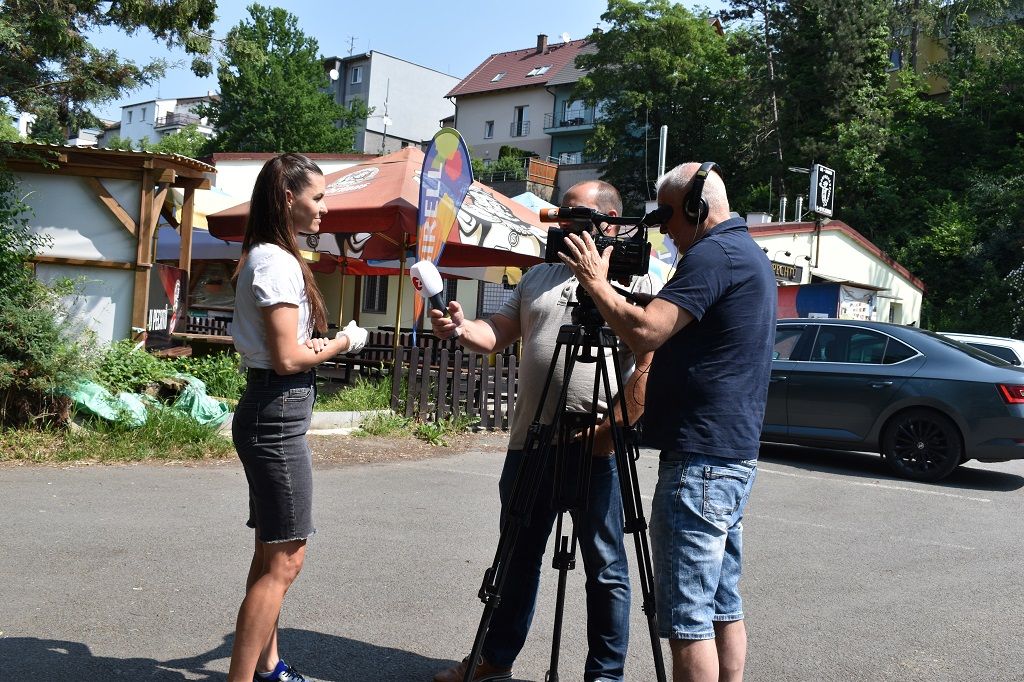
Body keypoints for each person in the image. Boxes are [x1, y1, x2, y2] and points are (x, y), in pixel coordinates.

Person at [429, 180, 660, 682]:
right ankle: (494, 660)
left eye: (571, 212)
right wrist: (461, 329)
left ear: (608, 220)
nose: (557, 220)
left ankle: (605, 676)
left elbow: (648, 363)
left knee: (606, 570)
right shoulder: (537, 277)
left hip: (599, 451)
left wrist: (612, 429)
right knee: (515, 558)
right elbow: (497, 334)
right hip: (530, 444)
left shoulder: (636, 283)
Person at [558, 163, 776, 682]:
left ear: (696, 210)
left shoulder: (713, 253)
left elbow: (647, 332)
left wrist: (594, 283)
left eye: (667, 217)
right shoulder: (746, 252)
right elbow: (668, 317)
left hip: (700, 461)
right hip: (729, 456)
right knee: (723, 603)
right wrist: (621, 298)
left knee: (688, 619)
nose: (664, 232)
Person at [228, 153, 369, 682]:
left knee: (270, 552)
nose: (325, 209)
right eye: (318, 197)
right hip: (277, 413)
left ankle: (267, 668)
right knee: (286, 560)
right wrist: (343, 341)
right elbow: (288, 359)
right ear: (289, 199)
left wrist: (314, 343)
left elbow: (280, 347)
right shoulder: (276, 261)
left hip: (270, 407)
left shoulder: (268, 257)